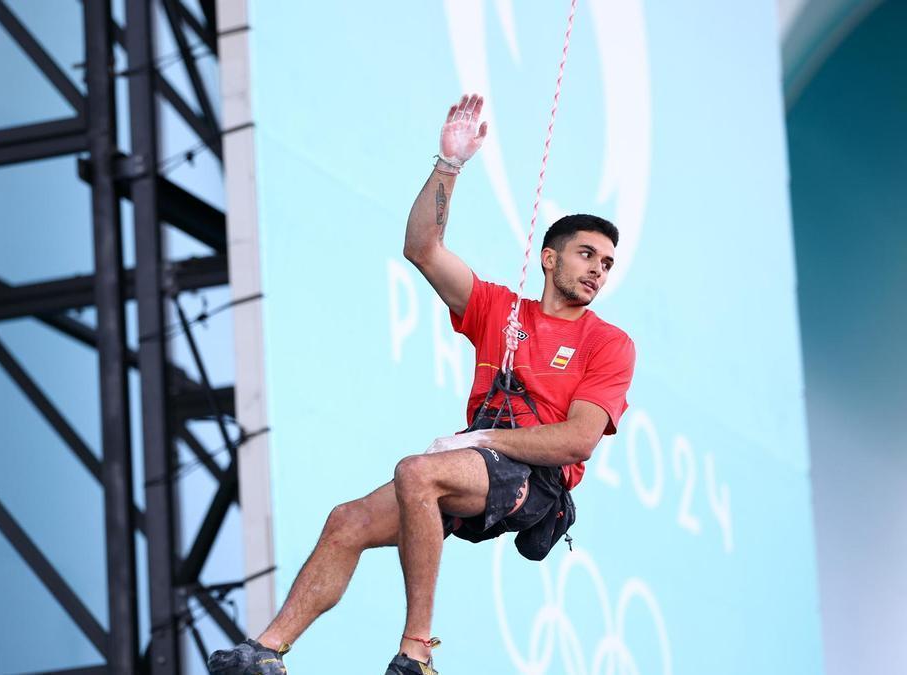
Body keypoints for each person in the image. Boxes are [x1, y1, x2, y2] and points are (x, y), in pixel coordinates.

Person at [207, 93, 636, 675]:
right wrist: (449, 165)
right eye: (586, 254)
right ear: (549, 260)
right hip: (477, 466)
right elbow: (422, 249)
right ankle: (265, 653)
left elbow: (577, 442)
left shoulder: (608, 342)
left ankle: (416, 653)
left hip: (532, 481)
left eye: (607, 264)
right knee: (346, 521)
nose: (596, 270)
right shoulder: (498, 308)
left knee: (418, 470)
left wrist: (479, 441)